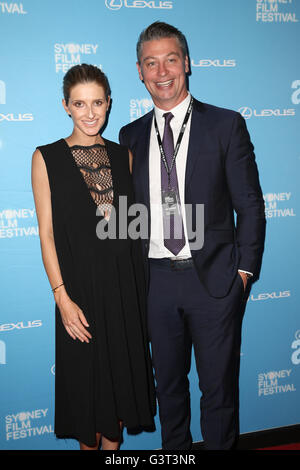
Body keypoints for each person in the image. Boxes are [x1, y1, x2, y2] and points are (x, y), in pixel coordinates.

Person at [119, 22, 266, 450]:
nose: (161, 71)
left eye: (170, 59)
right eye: (151, 62)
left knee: (219, 392)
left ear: (187, 62)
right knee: (169, 389)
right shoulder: (129, 137)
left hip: (216, 283)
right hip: (155, 282)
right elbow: (127, 218)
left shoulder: (225, 125)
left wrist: (244, 273)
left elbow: (251, 206)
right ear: (140, 72)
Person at [31, 64, 156, 450]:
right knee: (89, 411)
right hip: (79, 298)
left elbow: (129, 229)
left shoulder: (124, 156)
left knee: (117, 408)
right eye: (80, 103)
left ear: (108, 104)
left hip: (123, 294)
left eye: (97, 102)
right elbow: (47, 234)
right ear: (66, 106)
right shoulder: (45, 157)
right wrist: (61, 298)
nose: (90, 113)